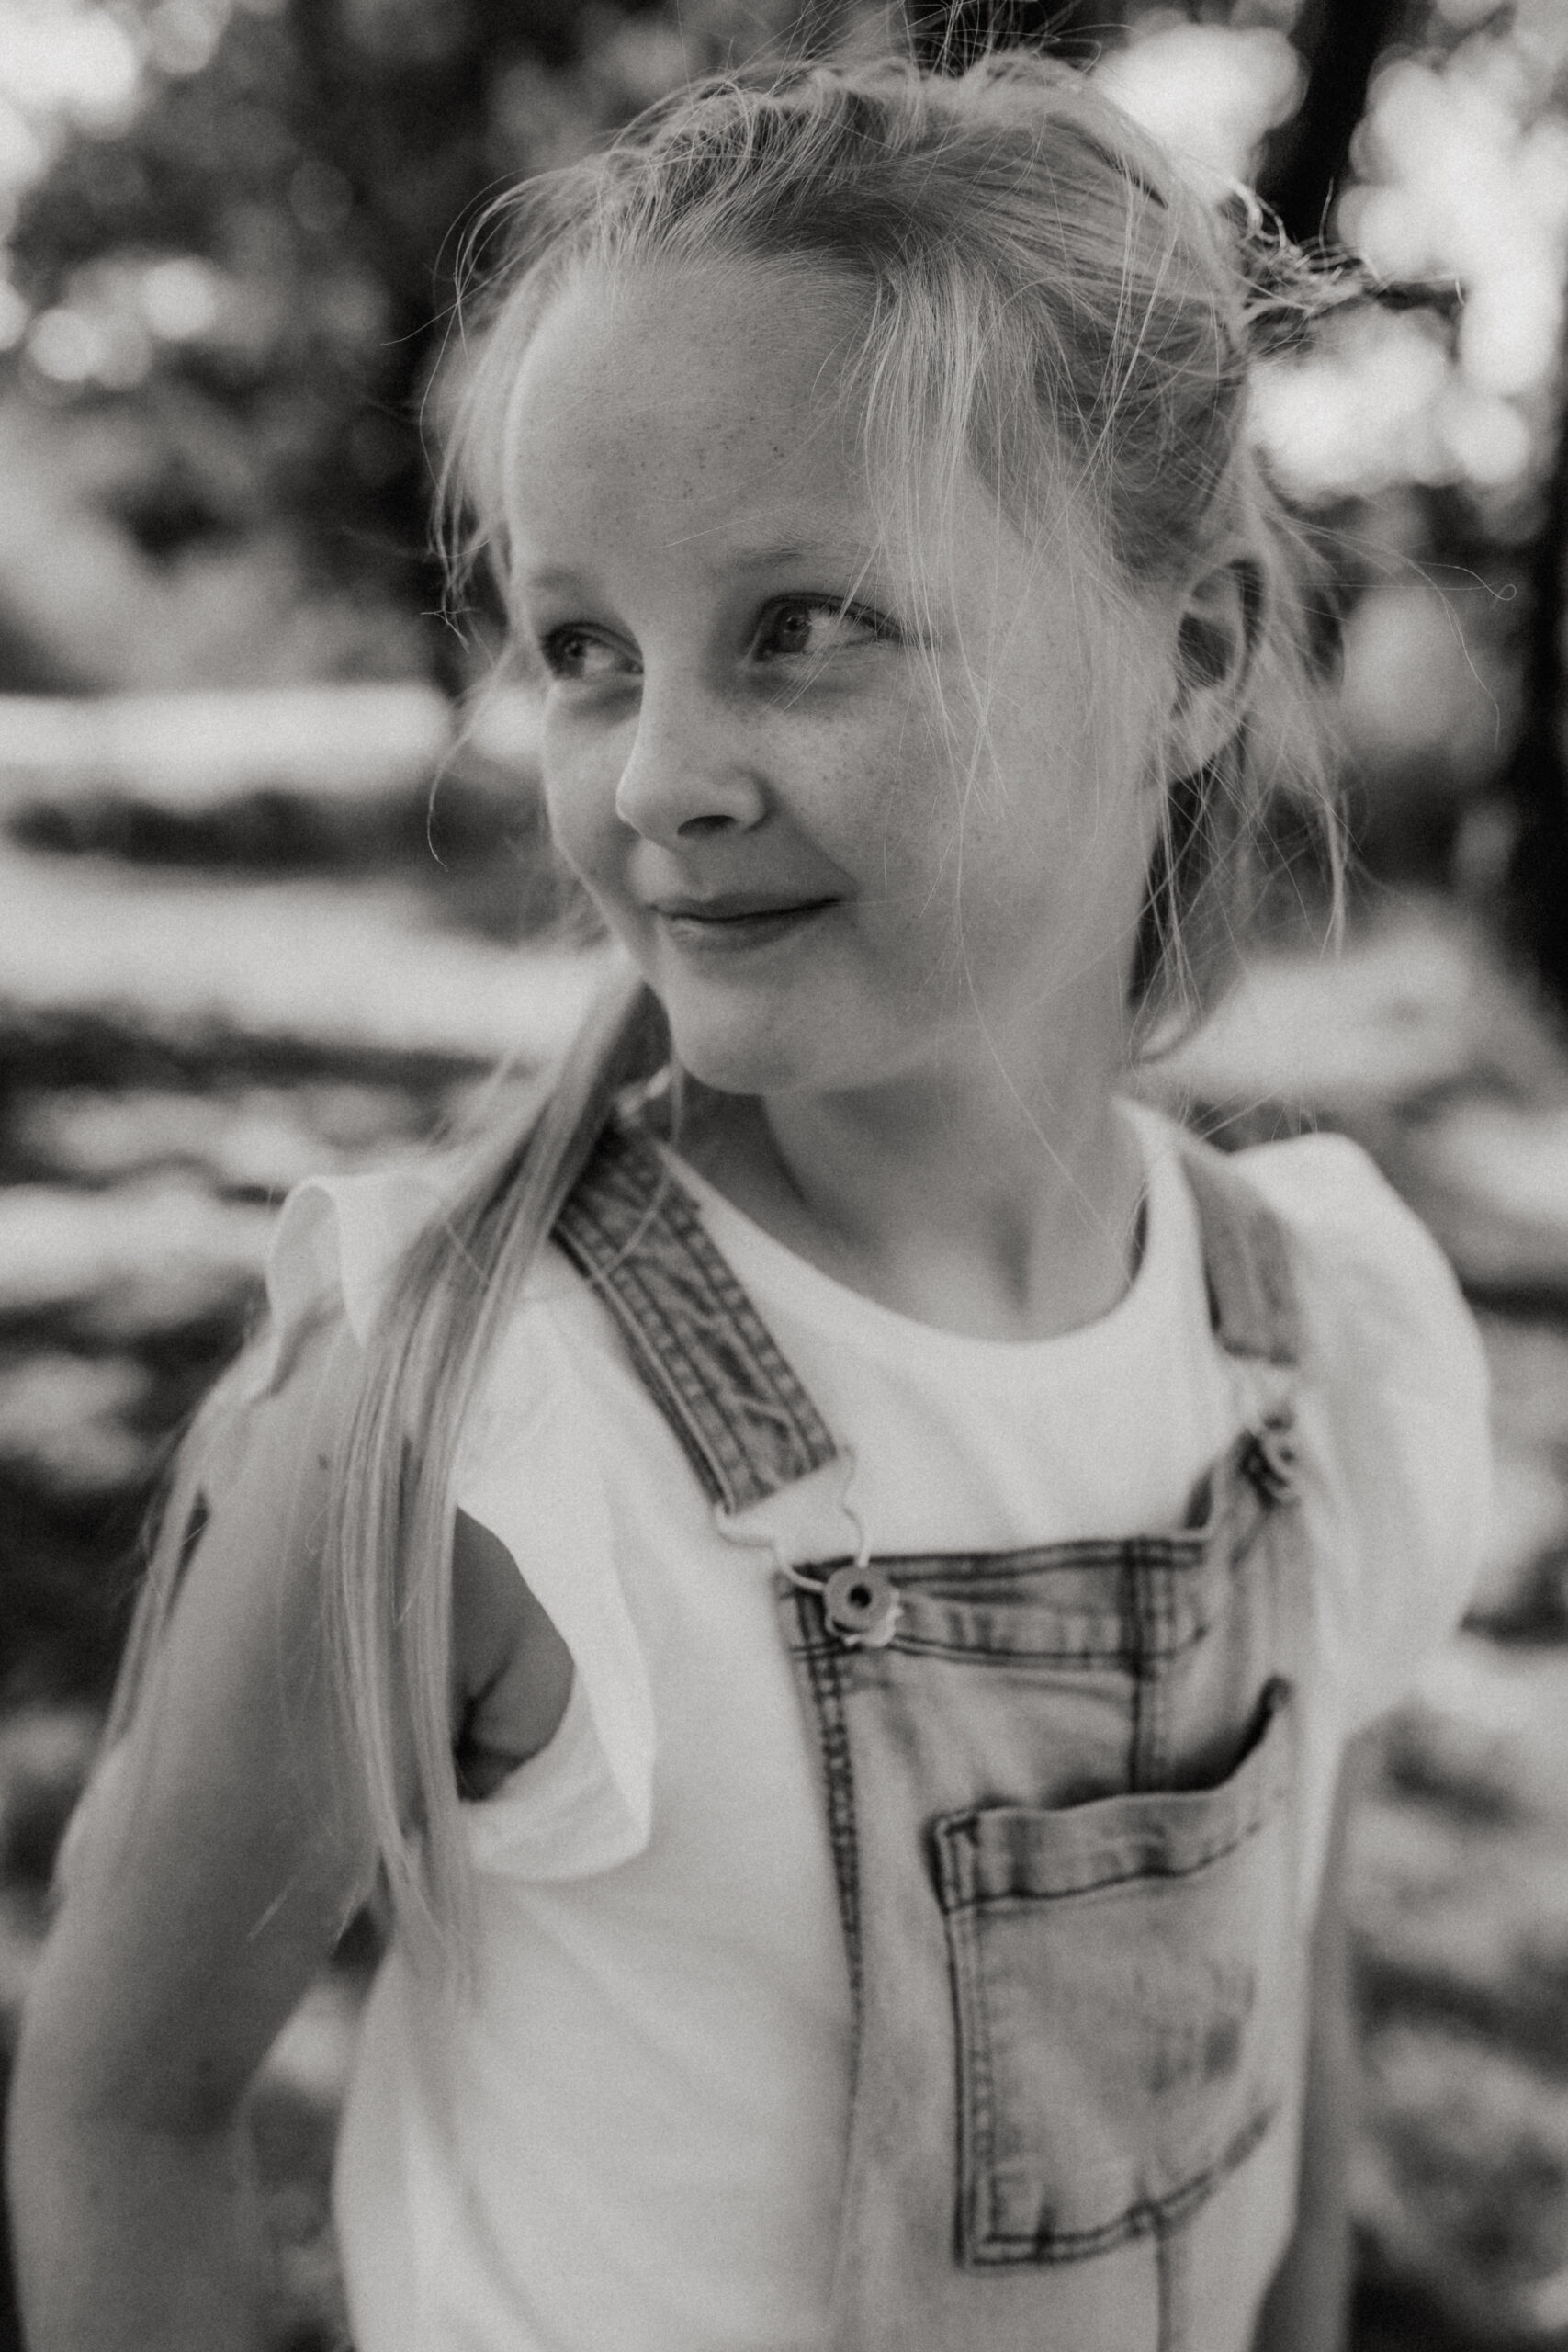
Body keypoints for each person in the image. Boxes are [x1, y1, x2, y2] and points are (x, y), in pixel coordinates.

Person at [7, 46, 1490, 2352]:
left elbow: (1285, 2093)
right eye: (585, 651)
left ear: (1188, 655)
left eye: (802, 623)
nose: (659, 778)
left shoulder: (1318, 1351)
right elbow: (123, 2104)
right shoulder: (476, 1426)